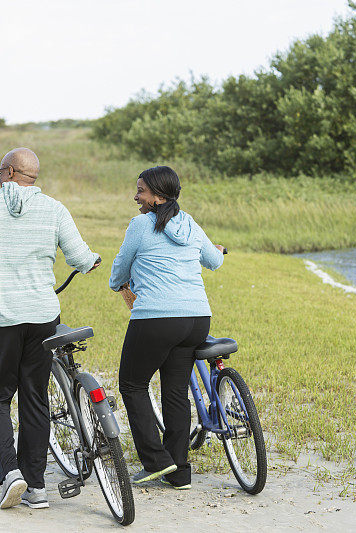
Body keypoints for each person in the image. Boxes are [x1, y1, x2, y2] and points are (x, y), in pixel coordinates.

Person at [0, 147, 101, 509]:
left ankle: (11, 473)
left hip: (1, 317)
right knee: (35, 399)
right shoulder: (54, 208)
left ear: (6, 172)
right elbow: (80, 257)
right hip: (43, 318)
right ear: (32, 177)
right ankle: (36, 487)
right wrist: (92, 262)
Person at [109, 165, 224, 490]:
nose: (136, 196)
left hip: (157, 319)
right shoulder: (188, 222)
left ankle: (158, 462)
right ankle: (179, 472)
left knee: (132, 385)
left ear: (158, 196)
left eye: (141, 191)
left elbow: (121, 265)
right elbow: (214, 262)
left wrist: (117, 283)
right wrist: (218, 251)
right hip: (197, 319)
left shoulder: (140, 225)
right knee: (175, 391)